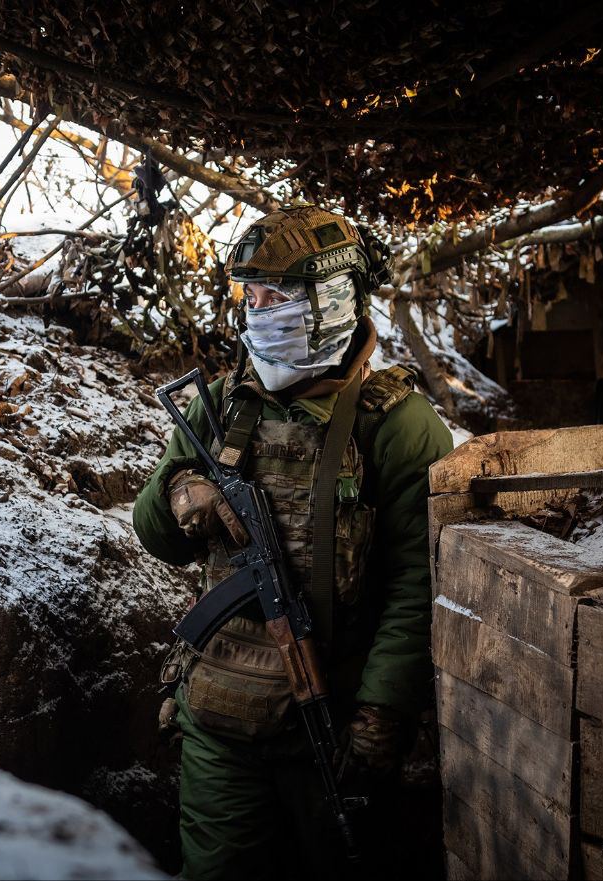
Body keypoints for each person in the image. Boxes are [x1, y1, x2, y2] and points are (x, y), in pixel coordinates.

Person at [132, 205, 454, 879]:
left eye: (274, 298)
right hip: (218, 720)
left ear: (331, 299)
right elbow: (155, 536)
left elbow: (415, 586)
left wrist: (381, 713)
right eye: (249, 298)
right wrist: (178, 492)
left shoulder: (399, 426)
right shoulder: (219, 403)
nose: (256, 313)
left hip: (331, 728)